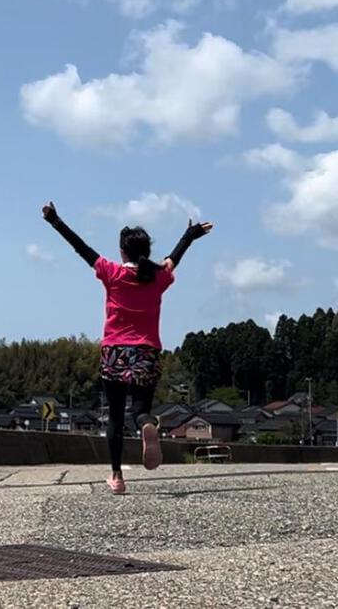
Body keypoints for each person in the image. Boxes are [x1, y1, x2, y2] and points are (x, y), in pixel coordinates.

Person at [42, 201, 212, 494]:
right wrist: (190, 236)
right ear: (146, 251)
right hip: (146, 351)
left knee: (116, 416)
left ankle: (117, 477)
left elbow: (81, 248)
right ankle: (147, 424)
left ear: (123, 252)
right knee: (140, 409)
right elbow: (173, 259)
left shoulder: (112, 273)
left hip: (114, 352)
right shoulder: (158, 277)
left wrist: (54, 220)